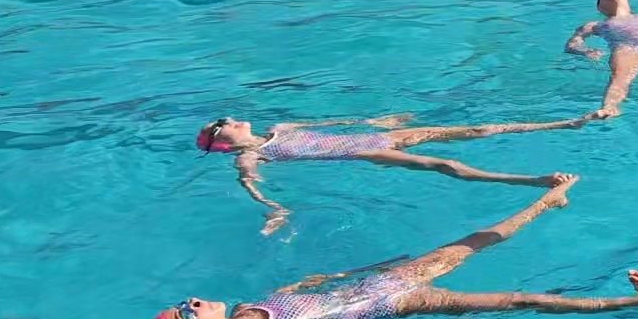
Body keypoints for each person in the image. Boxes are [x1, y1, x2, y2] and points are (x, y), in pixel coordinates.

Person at [142, 179, 638, 319]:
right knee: (524, 299)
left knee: (476, 239)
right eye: (185, 312)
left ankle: (547, 198)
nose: (190, 300)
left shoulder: (244, 313)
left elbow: (302, 292)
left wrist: (349, 273)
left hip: (387, 278)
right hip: (406, 303)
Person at [196, 111, 588, 234]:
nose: (228, 118)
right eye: (220, 123)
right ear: (223, 143)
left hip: (377, 134)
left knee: (476, 130)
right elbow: (251, 186)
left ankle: (562, 124)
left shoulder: (280, 130)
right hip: (369, 152)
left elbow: (333, 123)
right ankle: (534, 182)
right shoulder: (250, 158)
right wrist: (274, 209)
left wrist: (375, 119)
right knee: (447, 166)